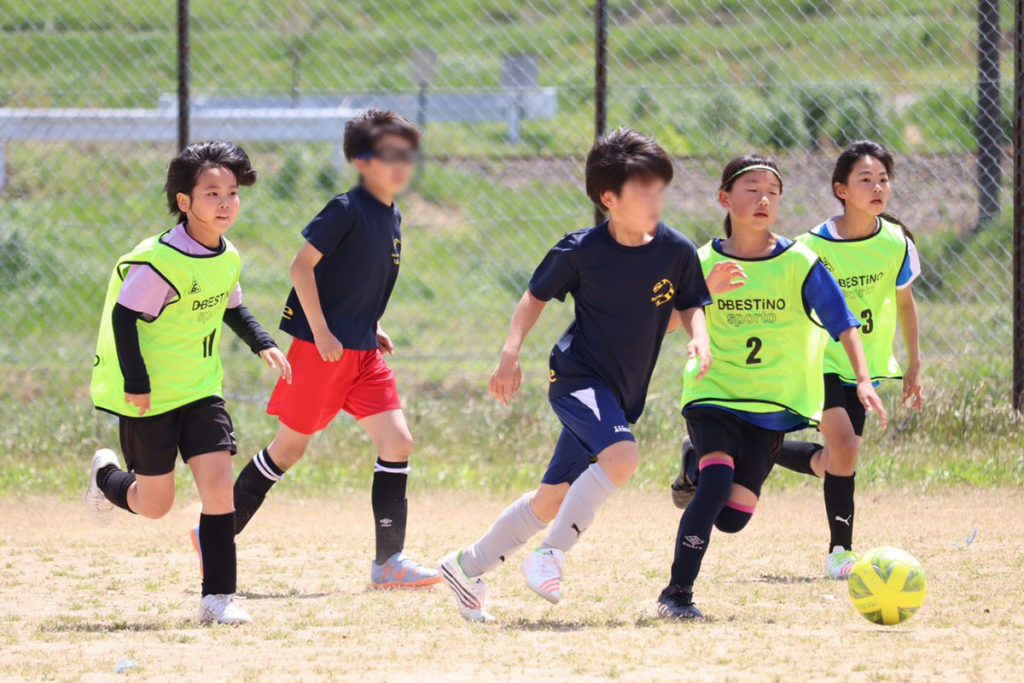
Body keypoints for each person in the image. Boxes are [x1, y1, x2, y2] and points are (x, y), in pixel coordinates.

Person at [439, 127, 713, 622]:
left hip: (621, 393)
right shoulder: (581, 250)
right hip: (576, 378)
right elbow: (533, 297)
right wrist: (509, 354)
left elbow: (693, 303)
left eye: (660, 189)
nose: (655, 199)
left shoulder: (676, 249)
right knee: (622, 457)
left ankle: (466, 565)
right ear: (608, 197)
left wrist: (701, 335)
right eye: (642, 190)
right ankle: (551, 554)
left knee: (551, 499)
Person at [658, 154, 887, 620]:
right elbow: (660, 324)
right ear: (724, 198)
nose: (764, 199)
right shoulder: (699, 261)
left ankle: (693, 466)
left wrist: (862, 379)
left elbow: (843, 323)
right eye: (751, 189)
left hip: (773, 405)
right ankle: (676, 594)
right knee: (718, 480)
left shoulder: (799, 261)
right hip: (714, 393)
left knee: (733, 517)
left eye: (773, 192)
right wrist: (705, 289)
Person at [227, 109, 440, 589]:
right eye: (390, 154)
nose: (402, 163)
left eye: (408, 153)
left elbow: (360, 280)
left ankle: (389, 563)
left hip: (362, 352)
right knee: (289, 449)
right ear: (363, 161)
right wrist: (322, 331)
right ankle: (216, 532)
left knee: (397, 441)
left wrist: (373, 323)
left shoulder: (393, 214)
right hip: (320, 350)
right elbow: (301, 268)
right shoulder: (346, 208)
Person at [85, 141, 291, 625]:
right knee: (155, 504)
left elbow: (231, 306)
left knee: (219, 486)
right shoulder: (160, 261)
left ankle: (217, 597)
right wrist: (136, 381)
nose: (225, 203)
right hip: (153, 396)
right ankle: (104, 477)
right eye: (212, 193)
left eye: (233, 194)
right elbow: (124, 318)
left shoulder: (227, 256)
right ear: (184, 202)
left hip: (201, 389)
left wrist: (262, 340)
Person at [769, 140, 923, 578]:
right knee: (847, 447)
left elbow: (906, 303)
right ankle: (840, 552)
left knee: (838, 459)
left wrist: (913, 363)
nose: (878, 187)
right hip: (819, 360)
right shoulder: (810, 247)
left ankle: (761, 448)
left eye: (883, 180)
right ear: (841, 188)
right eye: (865, 180)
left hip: (865, 368)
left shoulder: (896, 241)